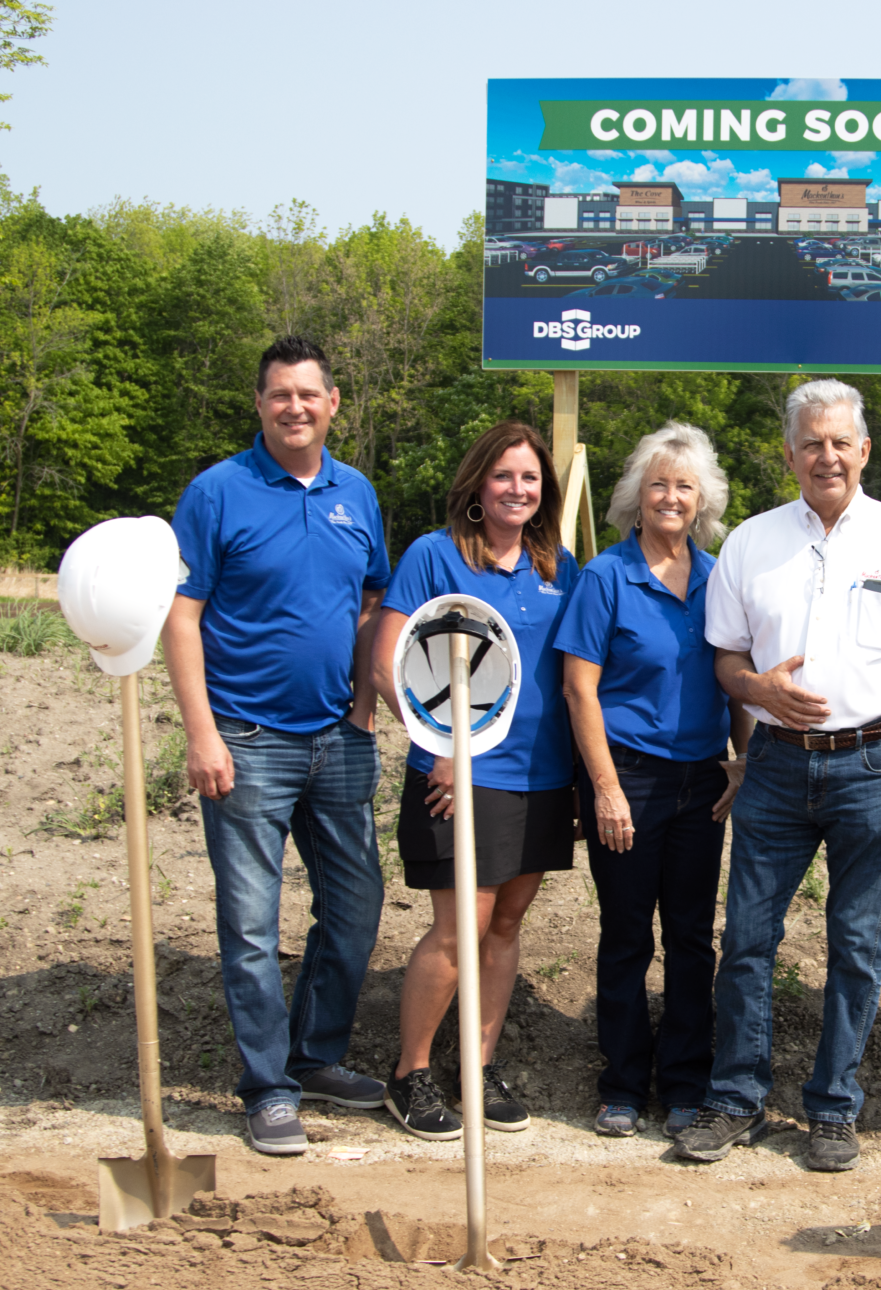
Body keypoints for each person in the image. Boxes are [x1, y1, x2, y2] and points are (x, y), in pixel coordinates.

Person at [674, 378, 881, 1173]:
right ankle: (736, 1097)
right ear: (790, 453)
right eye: (812, 443)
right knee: (747, 940)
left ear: (864, 450)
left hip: (876, 765)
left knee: (857, 943)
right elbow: (726, 657)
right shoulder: (752, 543)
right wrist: (757, 689)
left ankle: (834, 1107)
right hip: (773, 766)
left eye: (841, 442)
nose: (826, 455)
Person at [163, 335, 391, 1157]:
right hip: (245, 742)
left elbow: (372, 604)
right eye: (279, 395)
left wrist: (364, 709)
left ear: (333, 403)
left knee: (356, 909)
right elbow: (181, 616)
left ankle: (317, 1054)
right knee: (252, 926)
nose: (294, 407)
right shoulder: (217, 493)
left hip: (338, 738)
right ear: (259, 405)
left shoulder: (355, 492)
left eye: (309, 394)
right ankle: (267, 1088)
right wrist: (201, 733)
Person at [370, 420, 578, 1141]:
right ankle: (412, 1073)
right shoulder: (434, 555)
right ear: (477, 485)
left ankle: (477, 1070)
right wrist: (438, 742)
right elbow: (386, 660)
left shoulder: (560, 566)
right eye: (504, 476)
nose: (517, 489)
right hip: (461, 772)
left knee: (508, 925)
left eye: (529, 478)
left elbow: (574, 675)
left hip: (542, 775)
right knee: (461, 928)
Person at [556, 422, 752, 1140]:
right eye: (659, 484)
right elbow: (580, 690)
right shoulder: (606, 576)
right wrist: (602, 788)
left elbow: (734, 680)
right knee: (626, 934)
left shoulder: (719, 577)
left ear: (702, 502)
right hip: (627, 779)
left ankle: (686, 1081)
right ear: (637, 498)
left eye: (685, 486)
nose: (671, 496)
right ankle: (621, 1083)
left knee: (694, 938)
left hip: (702, 785)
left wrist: (743, 757)